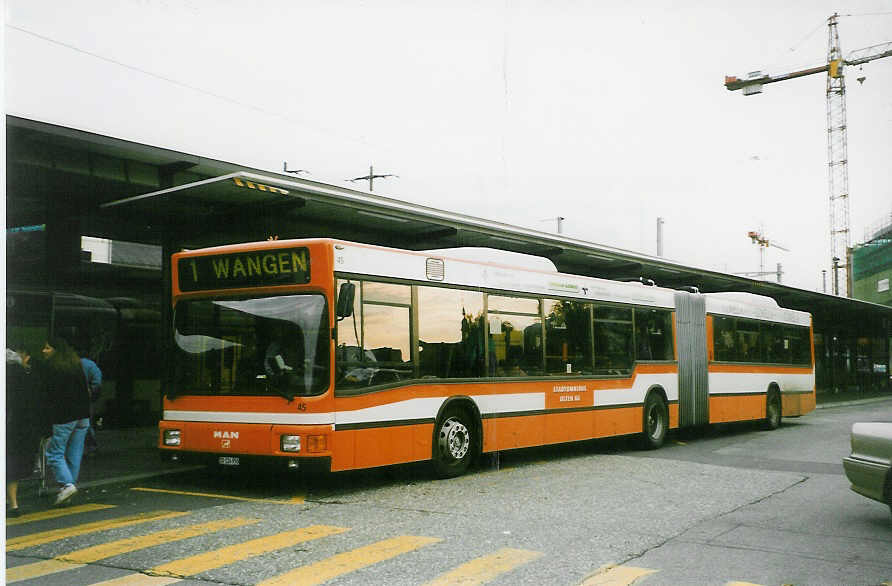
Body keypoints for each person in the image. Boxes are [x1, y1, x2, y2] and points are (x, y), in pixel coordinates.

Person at [41, 337, 91, 506]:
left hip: (64, 417)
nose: (44, 351)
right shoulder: (76, 364)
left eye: (47, 348)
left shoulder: (52, 368)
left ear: (56, 350)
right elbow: (85, 390)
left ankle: (67, 485)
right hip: (82, 417)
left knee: (54, 452)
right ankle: (69, 487)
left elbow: (49, 396)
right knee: (74, 455)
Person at [6, 345, 50, 517]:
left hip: (12, 426)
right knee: (13, 466)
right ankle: (14, 504)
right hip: (23, 429)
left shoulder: (10, 377)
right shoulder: (28, 378)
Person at [81, 356, 102, 454]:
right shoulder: (90, 364)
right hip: (85, 398)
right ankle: (91, 447)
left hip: (73, 397)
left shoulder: (67, 363)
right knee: (86, 423)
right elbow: (97, 382)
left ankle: (89, 446)